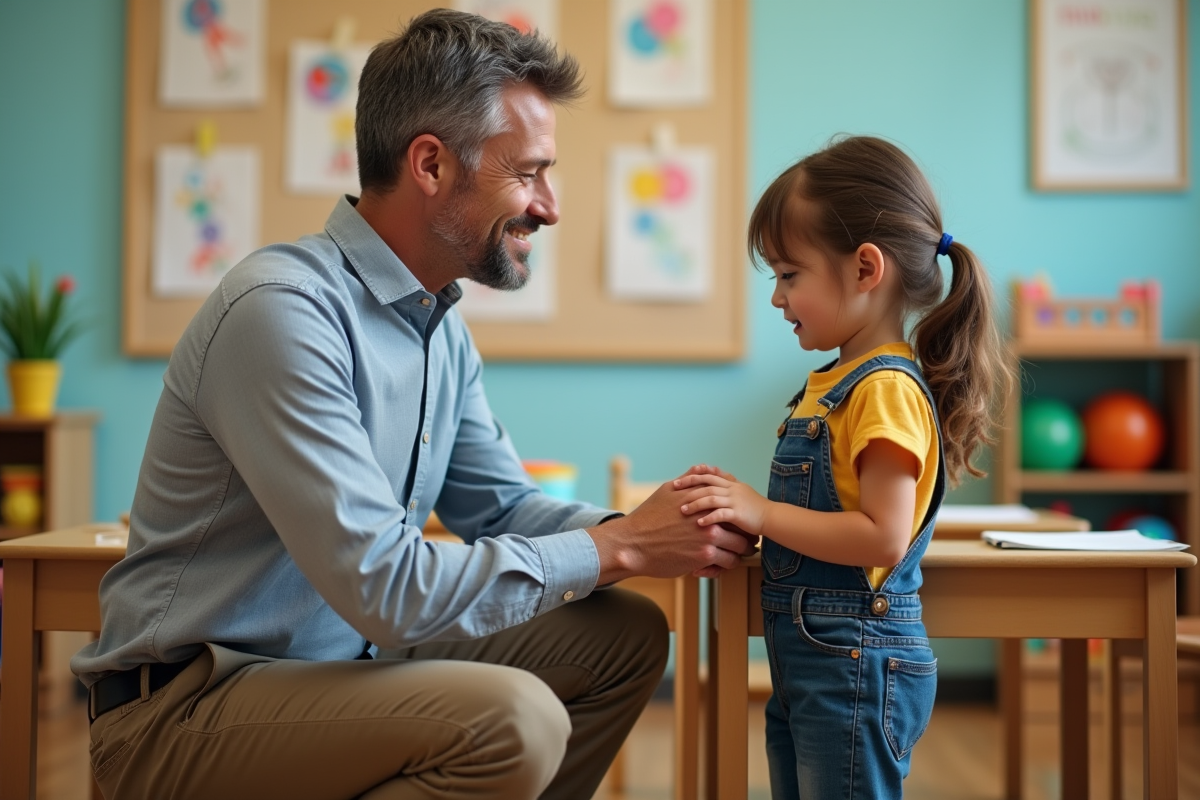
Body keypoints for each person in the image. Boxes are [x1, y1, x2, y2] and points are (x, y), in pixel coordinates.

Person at [72, 10, 755, 800]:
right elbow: (386, 588)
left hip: (337, 677)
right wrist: (625, 548)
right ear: (430, 164)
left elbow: (499, 508)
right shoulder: (282, 312)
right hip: (183, 713)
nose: (550, 206)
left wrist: (653, 528)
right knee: (513, 720)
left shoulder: (438, 328)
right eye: (528, 172)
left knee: (622, 636)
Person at [674, 136, 1012, 798]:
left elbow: (882, 536)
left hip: (855, 662)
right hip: (816, 663)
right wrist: (745, 524)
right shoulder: (835, 382)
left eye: (789, 274)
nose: (777, 297)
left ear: (864, 269)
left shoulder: (883, 388)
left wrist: (762, 512)